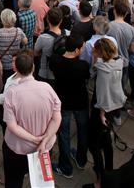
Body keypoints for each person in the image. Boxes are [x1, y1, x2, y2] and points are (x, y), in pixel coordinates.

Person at [2, 50, 62, 188]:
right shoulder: (47, 88)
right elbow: (56, 118)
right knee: (40, 180)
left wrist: (34, 139)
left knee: (13, 181)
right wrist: (44, 139)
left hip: (18, 149)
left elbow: (12, 126)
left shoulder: (12, 93)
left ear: (15, 68)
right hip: (44, 147)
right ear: (33, 68)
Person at [50, 35, 90, 177]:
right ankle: (81, 159)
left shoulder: (56, 61)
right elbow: (87, 77)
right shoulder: (83, 65)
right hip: (80, 103)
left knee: (63, 135)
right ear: (77, 50)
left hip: (63, 102)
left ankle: (65, 166)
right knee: (83, 131)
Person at [0, 9, 27, 83]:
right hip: (15, 64)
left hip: (1, 65)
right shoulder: (18, 31)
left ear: (2, 20)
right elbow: (25, 42)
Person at [34, 8, 63, 86]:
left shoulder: (42, 38)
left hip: (45, 73)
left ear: (47, 20)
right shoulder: (67, 34)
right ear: (61, 20)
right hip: (60, 72)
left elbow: (36, 53)